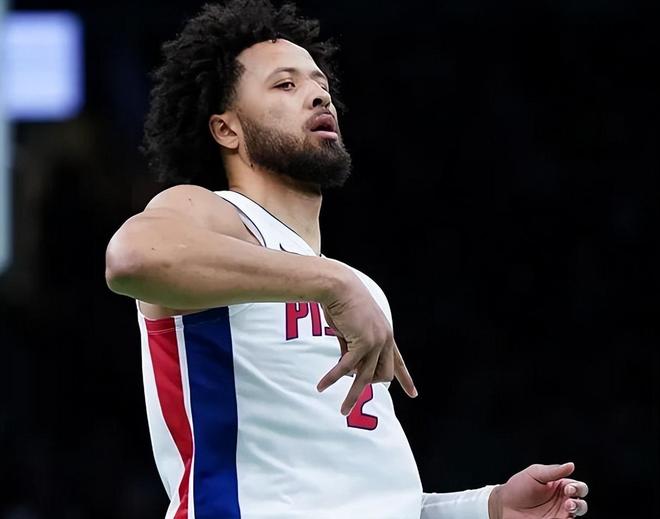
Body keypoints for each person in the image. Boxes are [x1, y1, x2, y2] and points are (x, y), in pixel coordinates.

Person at [105, 1, 589, 518]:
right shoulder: (216, 214)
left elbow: (368, 499)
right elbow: (132, 258)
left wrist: (487, 508)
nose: (318, 95)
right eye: (284, 85)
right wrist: (331, 281)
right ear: (227, 130)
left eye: (321, 84)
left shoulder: (358, 289)